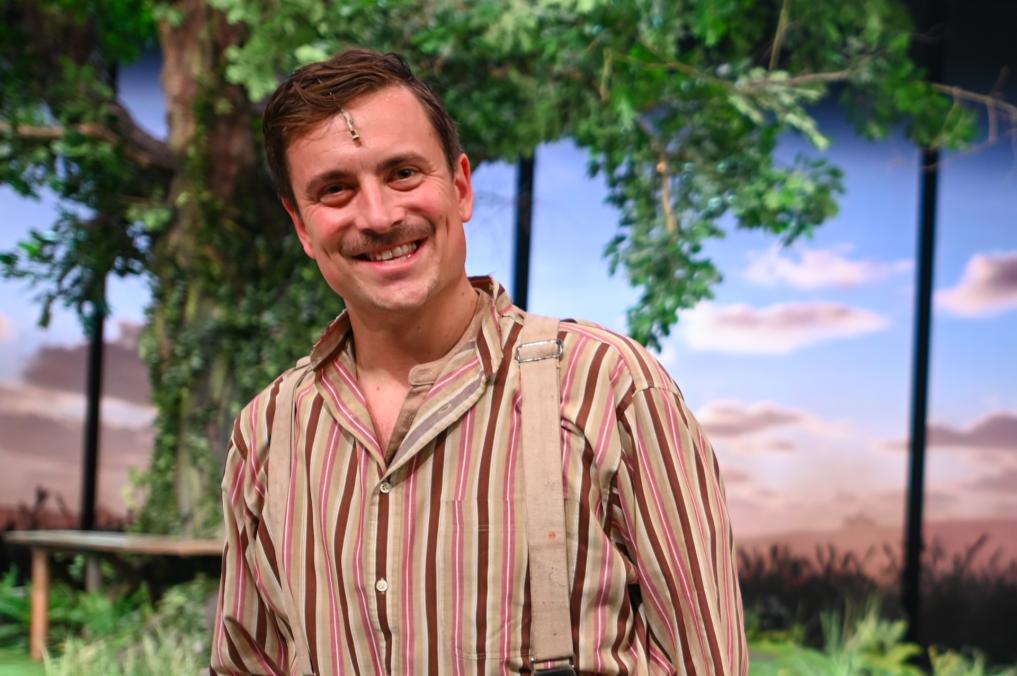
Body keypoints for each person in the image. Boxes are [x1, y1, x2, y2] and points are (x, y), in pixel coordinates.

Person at [211, 49, 747, 675]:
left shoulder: (608, 389)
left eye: (403, 173)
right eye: (336, 189)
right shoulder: (269, 432)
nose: (379, 216)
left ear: (460, 187)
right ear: (302, 226)